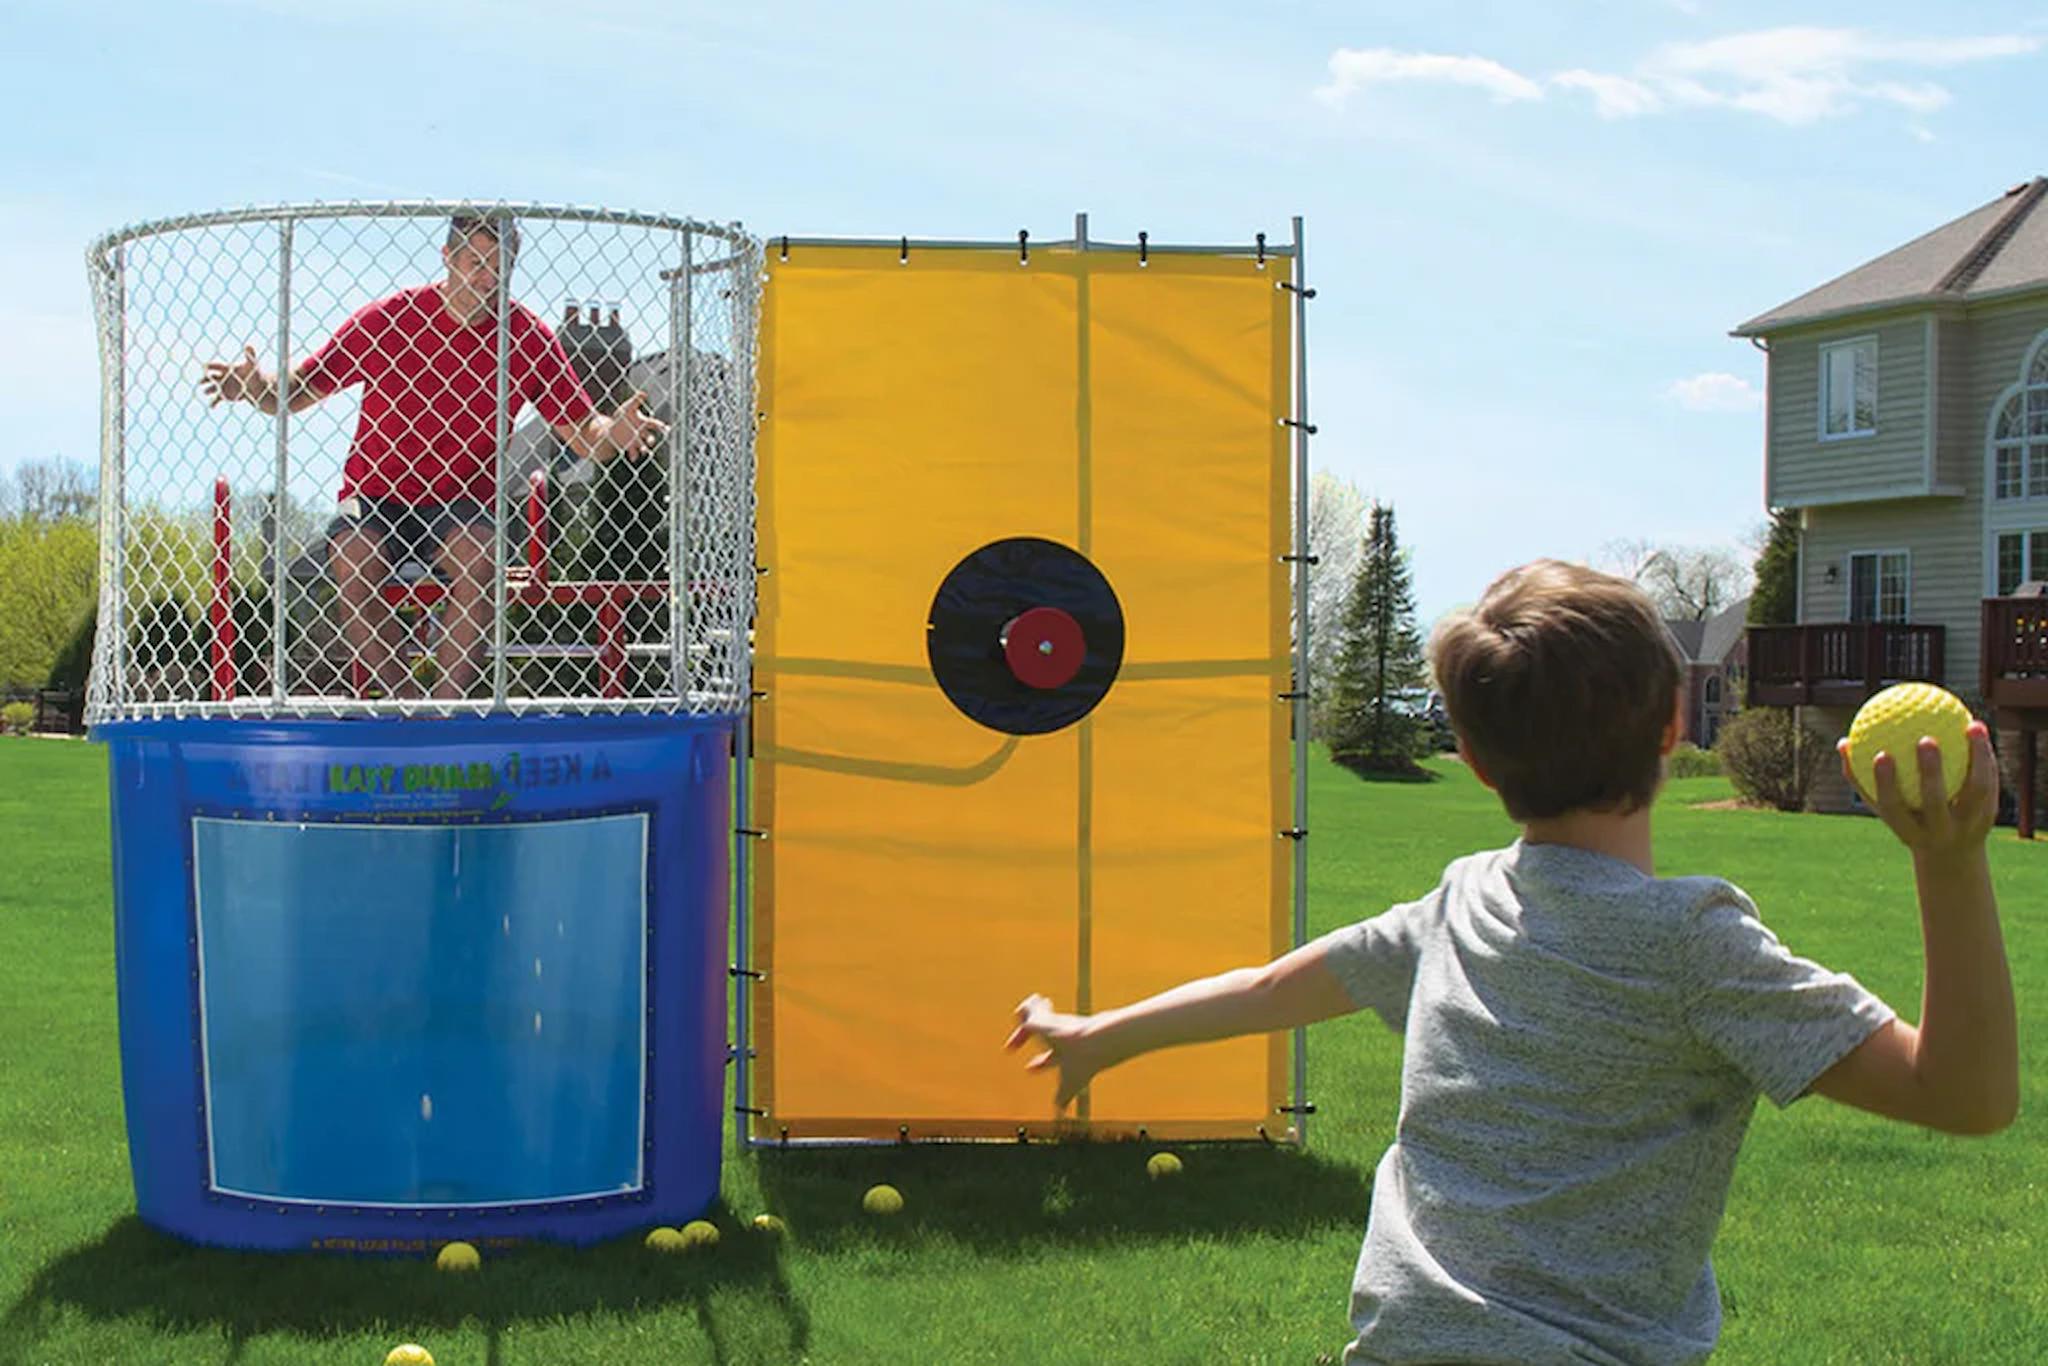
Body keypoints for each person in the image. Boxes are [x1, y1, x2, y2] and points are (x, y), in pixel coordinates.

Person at [1008, 559, 2017, 1365]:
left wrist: (1101, 1034)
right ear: (1674, 724)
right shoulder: (1694, 944)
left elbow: (1276, 987)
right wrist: (1948, 859)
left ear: (1476, 759)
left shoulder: (1463, 903)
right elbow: (1965, 1095)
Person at [200, 213, 667, 700]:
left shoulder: (526, 337)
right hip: (377, 495)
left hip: (461, 502)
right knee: (353, 557)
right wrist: (254, 386)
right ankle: (407, 708)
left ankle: (445, 710)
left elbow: (584, 432)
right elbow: (295, 391)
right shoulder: (389, 319)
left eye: (500, 267)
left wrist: (616, 431)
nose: (488, 278)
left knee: (481, 558)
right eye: (476, 263)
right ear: (448, 258)